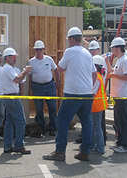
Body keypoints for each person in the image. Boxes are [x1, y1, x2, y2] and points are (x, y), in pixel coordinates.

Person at [43, 27, 97, 162]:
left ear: (72, 39)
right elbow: (94, 74)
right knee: (86, 122)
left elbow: (60, 68)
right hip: (87, 93)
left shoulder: (70, 51)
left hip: (73, 93)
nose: (68, 42)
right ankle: (85, 152)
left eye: (69, 39)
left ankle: (60, 151)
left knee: (62, 120)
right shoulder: (87, 53)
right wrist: (89, 87)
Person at [1, 47, 32, 154]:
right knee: (21, 122)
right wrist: (25, 71)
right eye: (12, 57)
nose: (15, 59)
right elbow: (17, 79)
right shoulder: (8, 69)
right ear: (7, 58)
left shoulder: (5, 68)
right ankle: (19, 145)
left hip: (8, 97)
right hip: (12, 97)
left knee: (9, 122)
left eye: (15, 57)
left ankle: (7, 146)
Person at [106, 37, 127, 153]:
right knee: (118, 121)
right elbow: (113, 72)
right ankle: (120, 142)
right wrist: (107, 62)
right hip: (118, 95)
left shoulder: (125, 60)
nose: (112, 50)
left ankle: (126, 145)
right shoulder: (119, 60)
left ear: (118, 48)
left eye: (113, 48)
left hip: (124, 96)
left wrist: (113, 76)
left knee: (124, 121)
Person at [28, 40, 60, 137]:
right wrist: (31, 88)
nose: (39, 52)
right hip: (37, 86)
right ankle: (40, 128)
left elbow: (56, 70)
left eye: (40, 50)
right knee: (39, 108)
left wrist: (57, 81)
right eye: (37, 50)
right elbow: (30, 76)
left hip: (50, 85)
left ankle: (53, 128)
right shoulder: (31, 62)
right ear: (34, 50)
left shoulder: (49, 59)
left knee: (52, 108)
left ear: (43, 50)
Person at [91, 55, 108, 154]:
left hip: (96, 105)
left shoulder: (97, 78)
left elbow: (92, 92)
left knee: (97, 127)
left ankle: (100, 147)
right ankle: (93, 145)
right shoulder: (98, 76)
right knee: (95, 126)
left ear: (96, 67)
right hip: (97, 105)